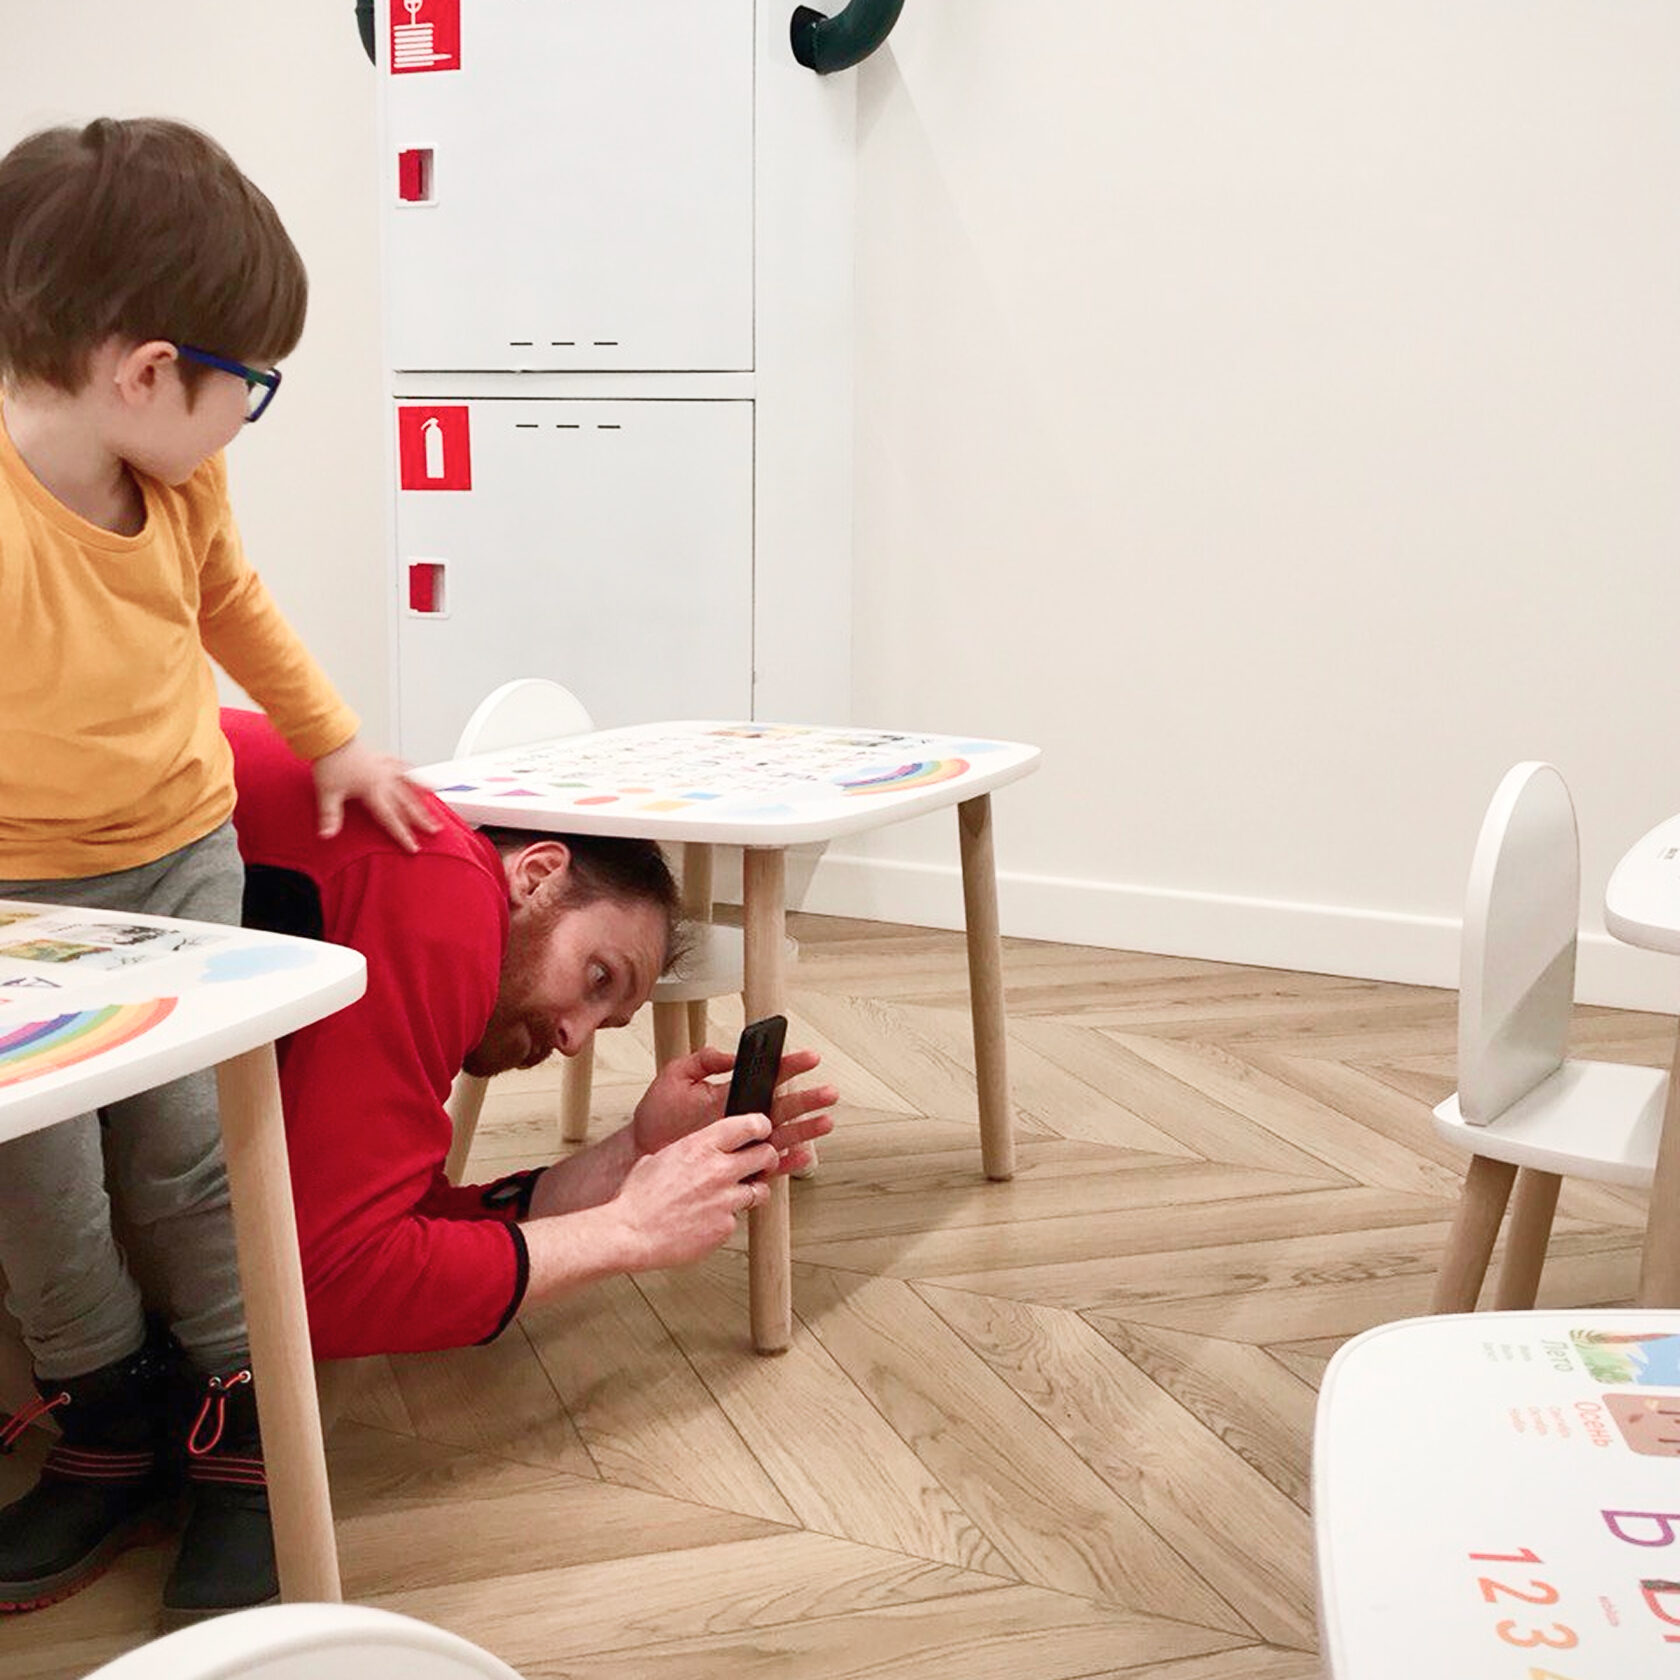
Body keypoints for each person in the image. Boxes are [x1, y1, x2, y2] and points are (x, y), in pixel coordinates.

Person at [0, 118, 434, 1622]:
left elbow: (234, 605)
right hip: (16, 906)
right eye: (251, 384)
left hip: (182, 857)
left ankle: (245, 1417)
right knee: (36, 1176)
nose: (251, 413)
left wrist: (336, 743)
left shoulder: (180, 489)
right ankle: (107, 1412)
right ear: (145, 374)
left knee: (191, 1154)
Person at [224, 710, 835, 1357]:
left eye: (607, 1023)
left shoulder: (429, 880)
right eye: (598, 976)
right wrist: (627, 1232)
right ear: (537, 875)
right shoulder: (444, 890)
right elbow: (326, 1284)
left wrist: (635, 1153)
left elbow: (399, 1222)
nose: (575, 1038)